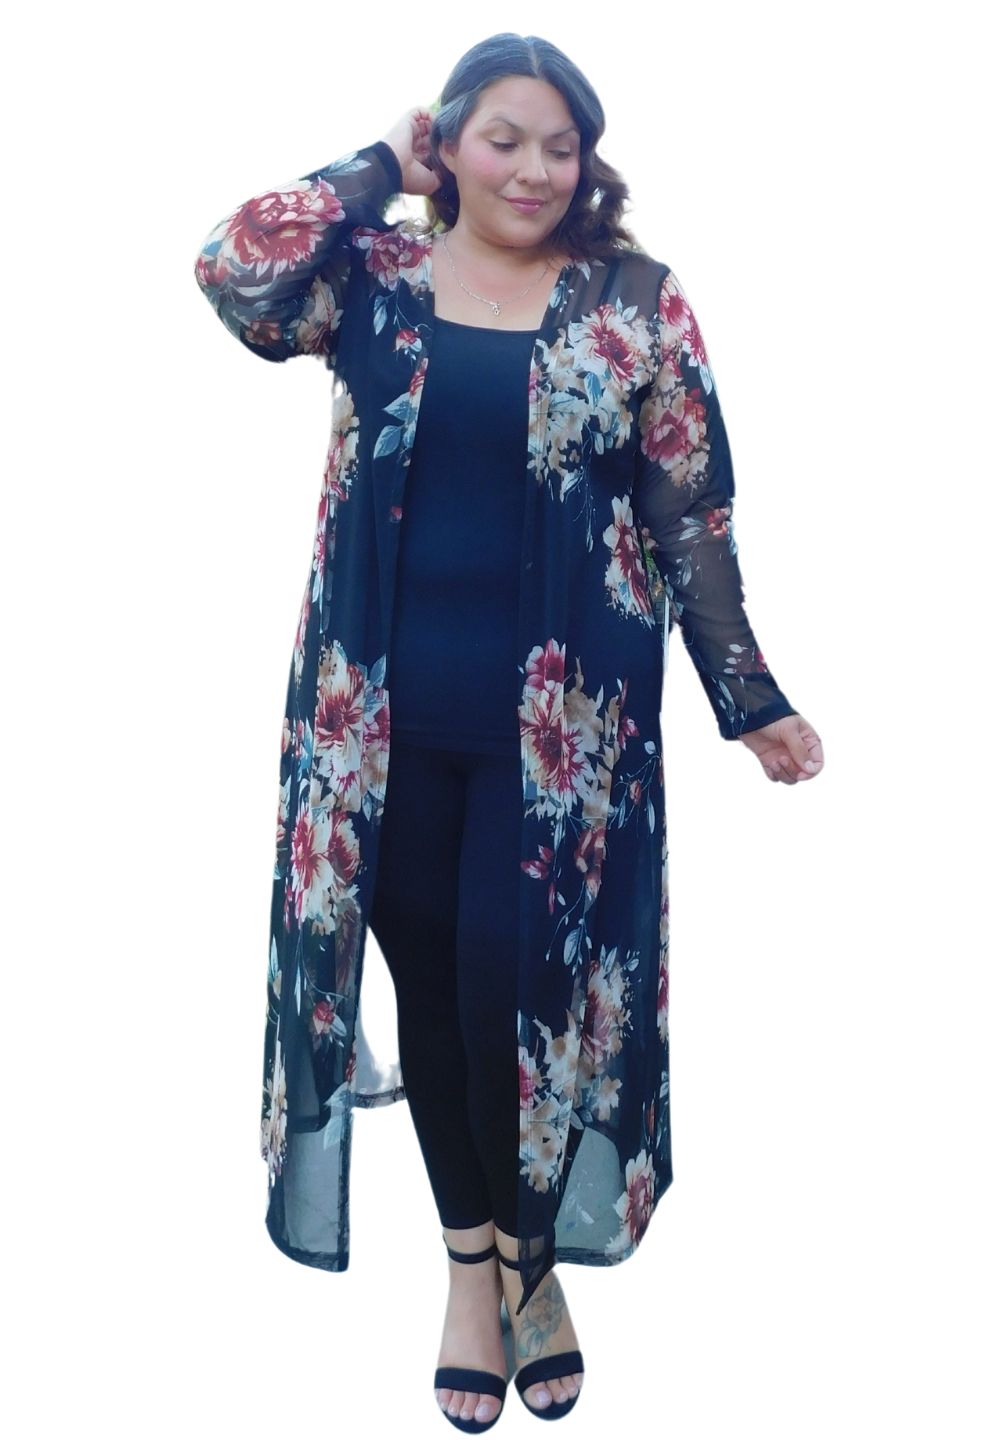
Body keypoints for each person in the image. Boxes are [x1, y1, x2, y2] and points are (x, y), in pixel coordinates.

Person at [193, 31, 824, 1435]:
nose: (536, 169)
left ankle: (533, 1252)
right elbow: (234, 267)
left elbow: (690, 512)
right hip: (378, 728)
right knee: (433, 995)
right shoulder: (374, 279)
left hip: (563, 737)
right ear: (451, 144)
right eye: (504, 140)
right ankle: (478, 1273)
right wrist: (377, 166)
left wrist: (750, 695)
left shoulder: (637, 305)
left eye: (561, 146)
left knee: (512, 992)